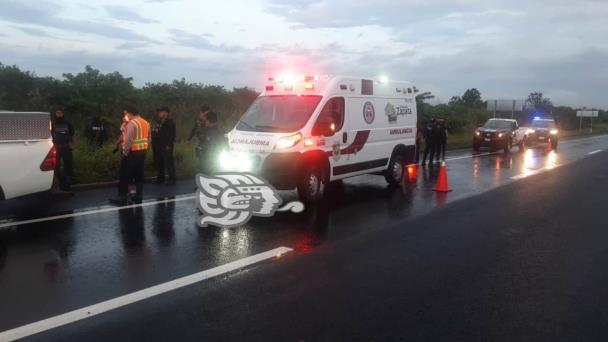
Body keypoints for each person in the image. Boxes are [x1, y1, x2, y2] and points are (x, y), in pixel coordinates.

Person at [110, 106, 150, 206]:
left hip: (131, 153)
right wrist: (144, 148)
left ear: (130, 113)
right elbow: (149, 138)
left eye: (126, 113)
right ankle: (138, 196)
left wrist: (125, 152)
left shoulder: (132, 123)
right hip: (142, 152)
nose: (125, 116)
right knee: (139, 175)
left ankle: (122, 197)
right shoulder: (146, 122)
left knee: (124, 175)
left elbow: (128, 140)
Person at [51, 109, 75, 191]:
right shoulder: (52, 123)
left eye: (60, 113)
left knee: (68, 163)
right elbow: (49, 135)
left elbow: (72, 134)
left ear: (63, 114)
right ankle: (57, 181)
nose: (59, 114)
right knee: (56, 165)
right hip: (56, 146)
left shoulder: (67, 123)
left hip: (66, 146)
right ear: (55, 114)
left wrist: (72, 144)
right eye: (57, 113)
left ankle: (70, 180)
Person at [151, 106, 176, 185]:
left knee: (168, 163)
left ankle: (172, 179)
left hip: (166, 145)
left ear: (166, 113)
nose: (159, 113)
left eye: (161, 112)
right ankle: (160, 178)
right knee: (159, 162)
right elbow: (154, 131)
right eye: (159, 112)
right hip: (157, 145)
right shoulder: (158, 122)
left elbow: (172, 135)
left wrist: (169, 144)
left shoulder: (170, 122)